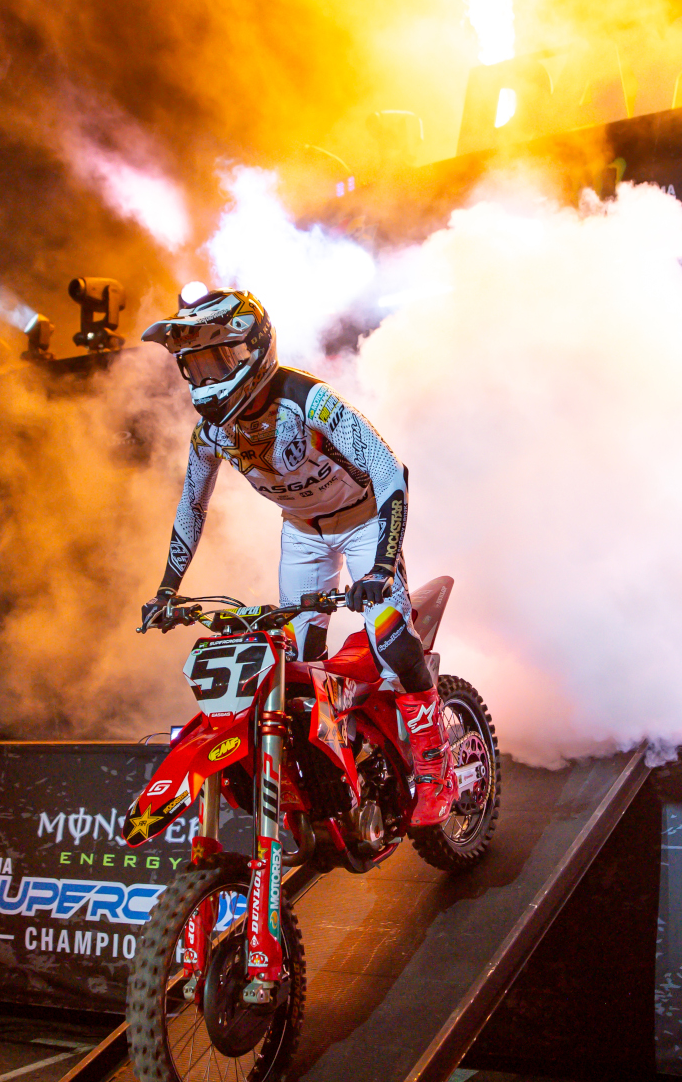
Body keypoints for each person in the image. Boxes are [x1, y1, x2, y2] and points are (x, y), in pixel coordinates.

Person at [139, 287, 452, 814]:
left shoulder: (309, 399)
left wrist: (381, 565)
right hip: (302, 533)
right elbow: (191, 506)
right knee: (299, 663)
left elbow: (389, 470)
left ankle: (434, 760)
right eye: (195, 366)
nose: (207, 378)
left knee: (390, 637)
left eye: (217, 361)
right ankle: (341, 766)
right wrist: (167, 591)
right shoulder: (208, 434)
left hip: (363, 522)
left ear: (252, 349)